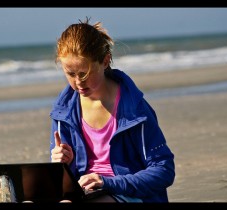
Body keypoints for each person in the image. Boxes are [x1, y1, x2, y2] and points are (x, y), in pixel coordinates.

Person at [49, 17, 175, 203]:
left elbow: (164, 170)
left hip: (131, 195)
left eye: (84, 73)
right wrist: (61, 165)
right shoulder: (63, 113)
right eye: (70, 73)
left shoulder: (135, 110)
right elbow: (66, 180)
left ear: (105, 61)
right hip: (83, 194)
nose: (78, 82)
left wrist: (107, 182)